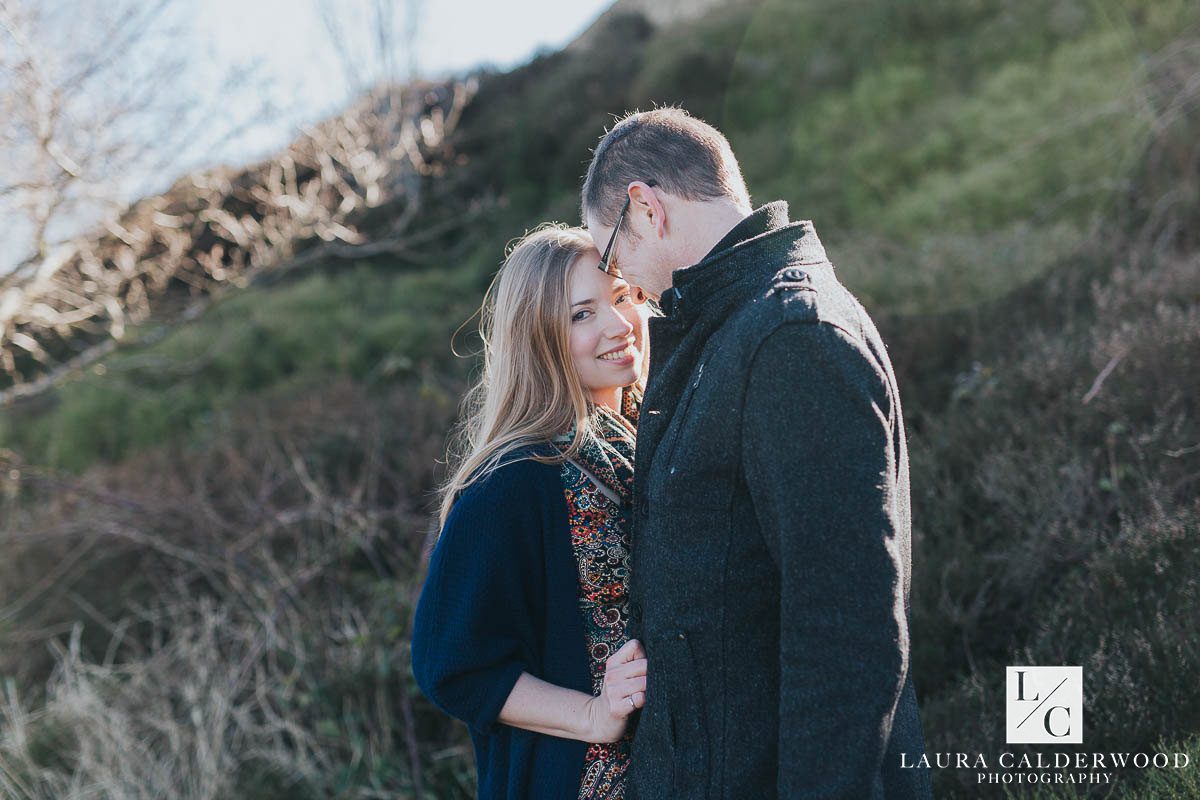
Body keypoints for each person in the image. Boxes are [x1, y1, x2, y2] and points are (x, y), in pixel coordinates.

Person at [580, 107, 933, 799]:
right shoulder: (734, 330)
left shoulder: (791, 338)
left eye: (613, 256)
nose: (628, 283)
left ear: (645, 208)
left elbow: (846, 639)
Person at [411, 224, 654, 799]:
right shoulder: (516, 478)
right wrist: (594, 714)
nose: (618, 326)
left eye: (622, 297)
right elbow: (452, 663)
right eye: (582, 314)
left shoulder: (646, 444)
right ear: (538, 337)